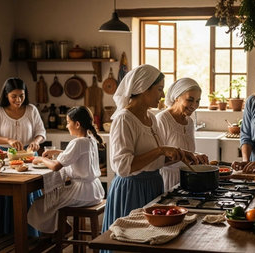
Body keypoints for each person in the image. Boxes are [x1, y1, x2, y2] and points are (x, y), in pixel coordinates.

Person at [102, 64, 196, 233]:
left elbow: (156, 161)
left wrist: (181, 155)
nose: (162, 95)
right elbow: (123, 167)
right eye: (159, 89)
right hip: (131, 190)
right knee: (131, 242)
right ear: (143, 88)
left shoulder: (151, 117)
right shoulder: (124, 119)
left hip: (153, 186)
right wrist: (160, 150)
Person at [0, 77, 45, 236]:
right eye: (14, 96)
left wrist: (36, 142)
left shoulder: (31, 110)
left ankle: (28, 238)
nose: (18, 100)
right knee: (3, 195)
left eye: (21, 96)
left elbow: (41, 132)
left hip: (29, 158)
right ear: (6, 95)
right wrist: (8, 140)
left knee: (27, 194)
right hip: (3, 158)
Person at [27, 106, 105, 233]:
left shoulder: (77, 143)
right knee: (49, 201)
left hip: (81, 193)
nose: (67, 125)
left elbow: (56, 166)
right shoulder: (90, 139)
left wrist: (41, 159)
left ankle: (57, 230)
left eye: (68, 122)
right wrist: (57, 151)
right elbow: (79, 155)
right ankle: (60, 226)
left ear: (77, 124)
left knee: (40, 203)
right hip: (95, 191)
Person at [156, 77, 209, 192]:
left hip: (187, 180)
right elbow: (156, 159)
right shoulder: (162, 119)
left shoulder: (189, 122)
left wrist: (196, 155)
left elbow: (186, 150)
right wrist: (185, 156)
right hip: (167, 181)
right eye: (190, 100)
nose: (194, 105)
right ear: (177, 97)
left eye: (197, 101)